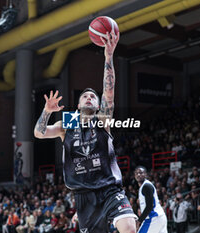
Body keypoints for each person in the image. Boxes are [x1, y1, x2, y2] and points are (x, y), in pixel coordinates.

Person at [34, 29, 137, 233]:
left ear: (98, 106)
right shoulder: (69, 122)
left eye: (93, 97)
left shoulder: (102, 119)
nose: (89, 97)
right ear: (78, 105)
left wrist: (108, 55)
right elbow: (39, 133)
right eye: (85, 96)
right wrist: (46, 111)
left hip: (109, 189)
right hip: (83, 195)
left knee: (129, 228)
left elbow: (109, 92)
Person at [134, 166, 167, 233]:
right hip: (160, 217)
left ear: (146, 174)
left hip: (153, 218)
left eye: (141, 173)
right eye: (136, 173)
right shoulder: (145, 186)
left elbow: (150, 206)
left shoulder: (146, 186)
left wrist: (139, 221)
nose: (138, 175)